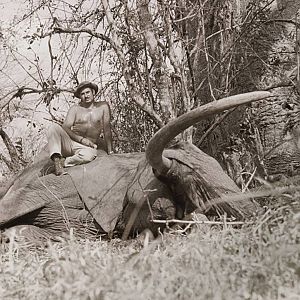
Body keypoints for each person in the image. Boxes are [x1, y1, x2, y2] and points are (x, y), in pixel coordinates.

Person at [47, 81, 113, 176]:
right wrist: (81, 140)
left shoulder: (103, 107)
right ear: (79, 97)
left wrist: (110, 151)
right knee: (53, 128)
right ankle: (57, 161)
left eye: (87, 92)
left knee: (89, 155)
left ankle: (64, 162)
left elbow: (107, 130)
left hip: (86, 148)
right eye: (82, 94)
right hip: (71, 143)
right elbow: (66, 127)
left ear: (93, 92)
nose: (86, 96)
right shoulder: (75, 109)